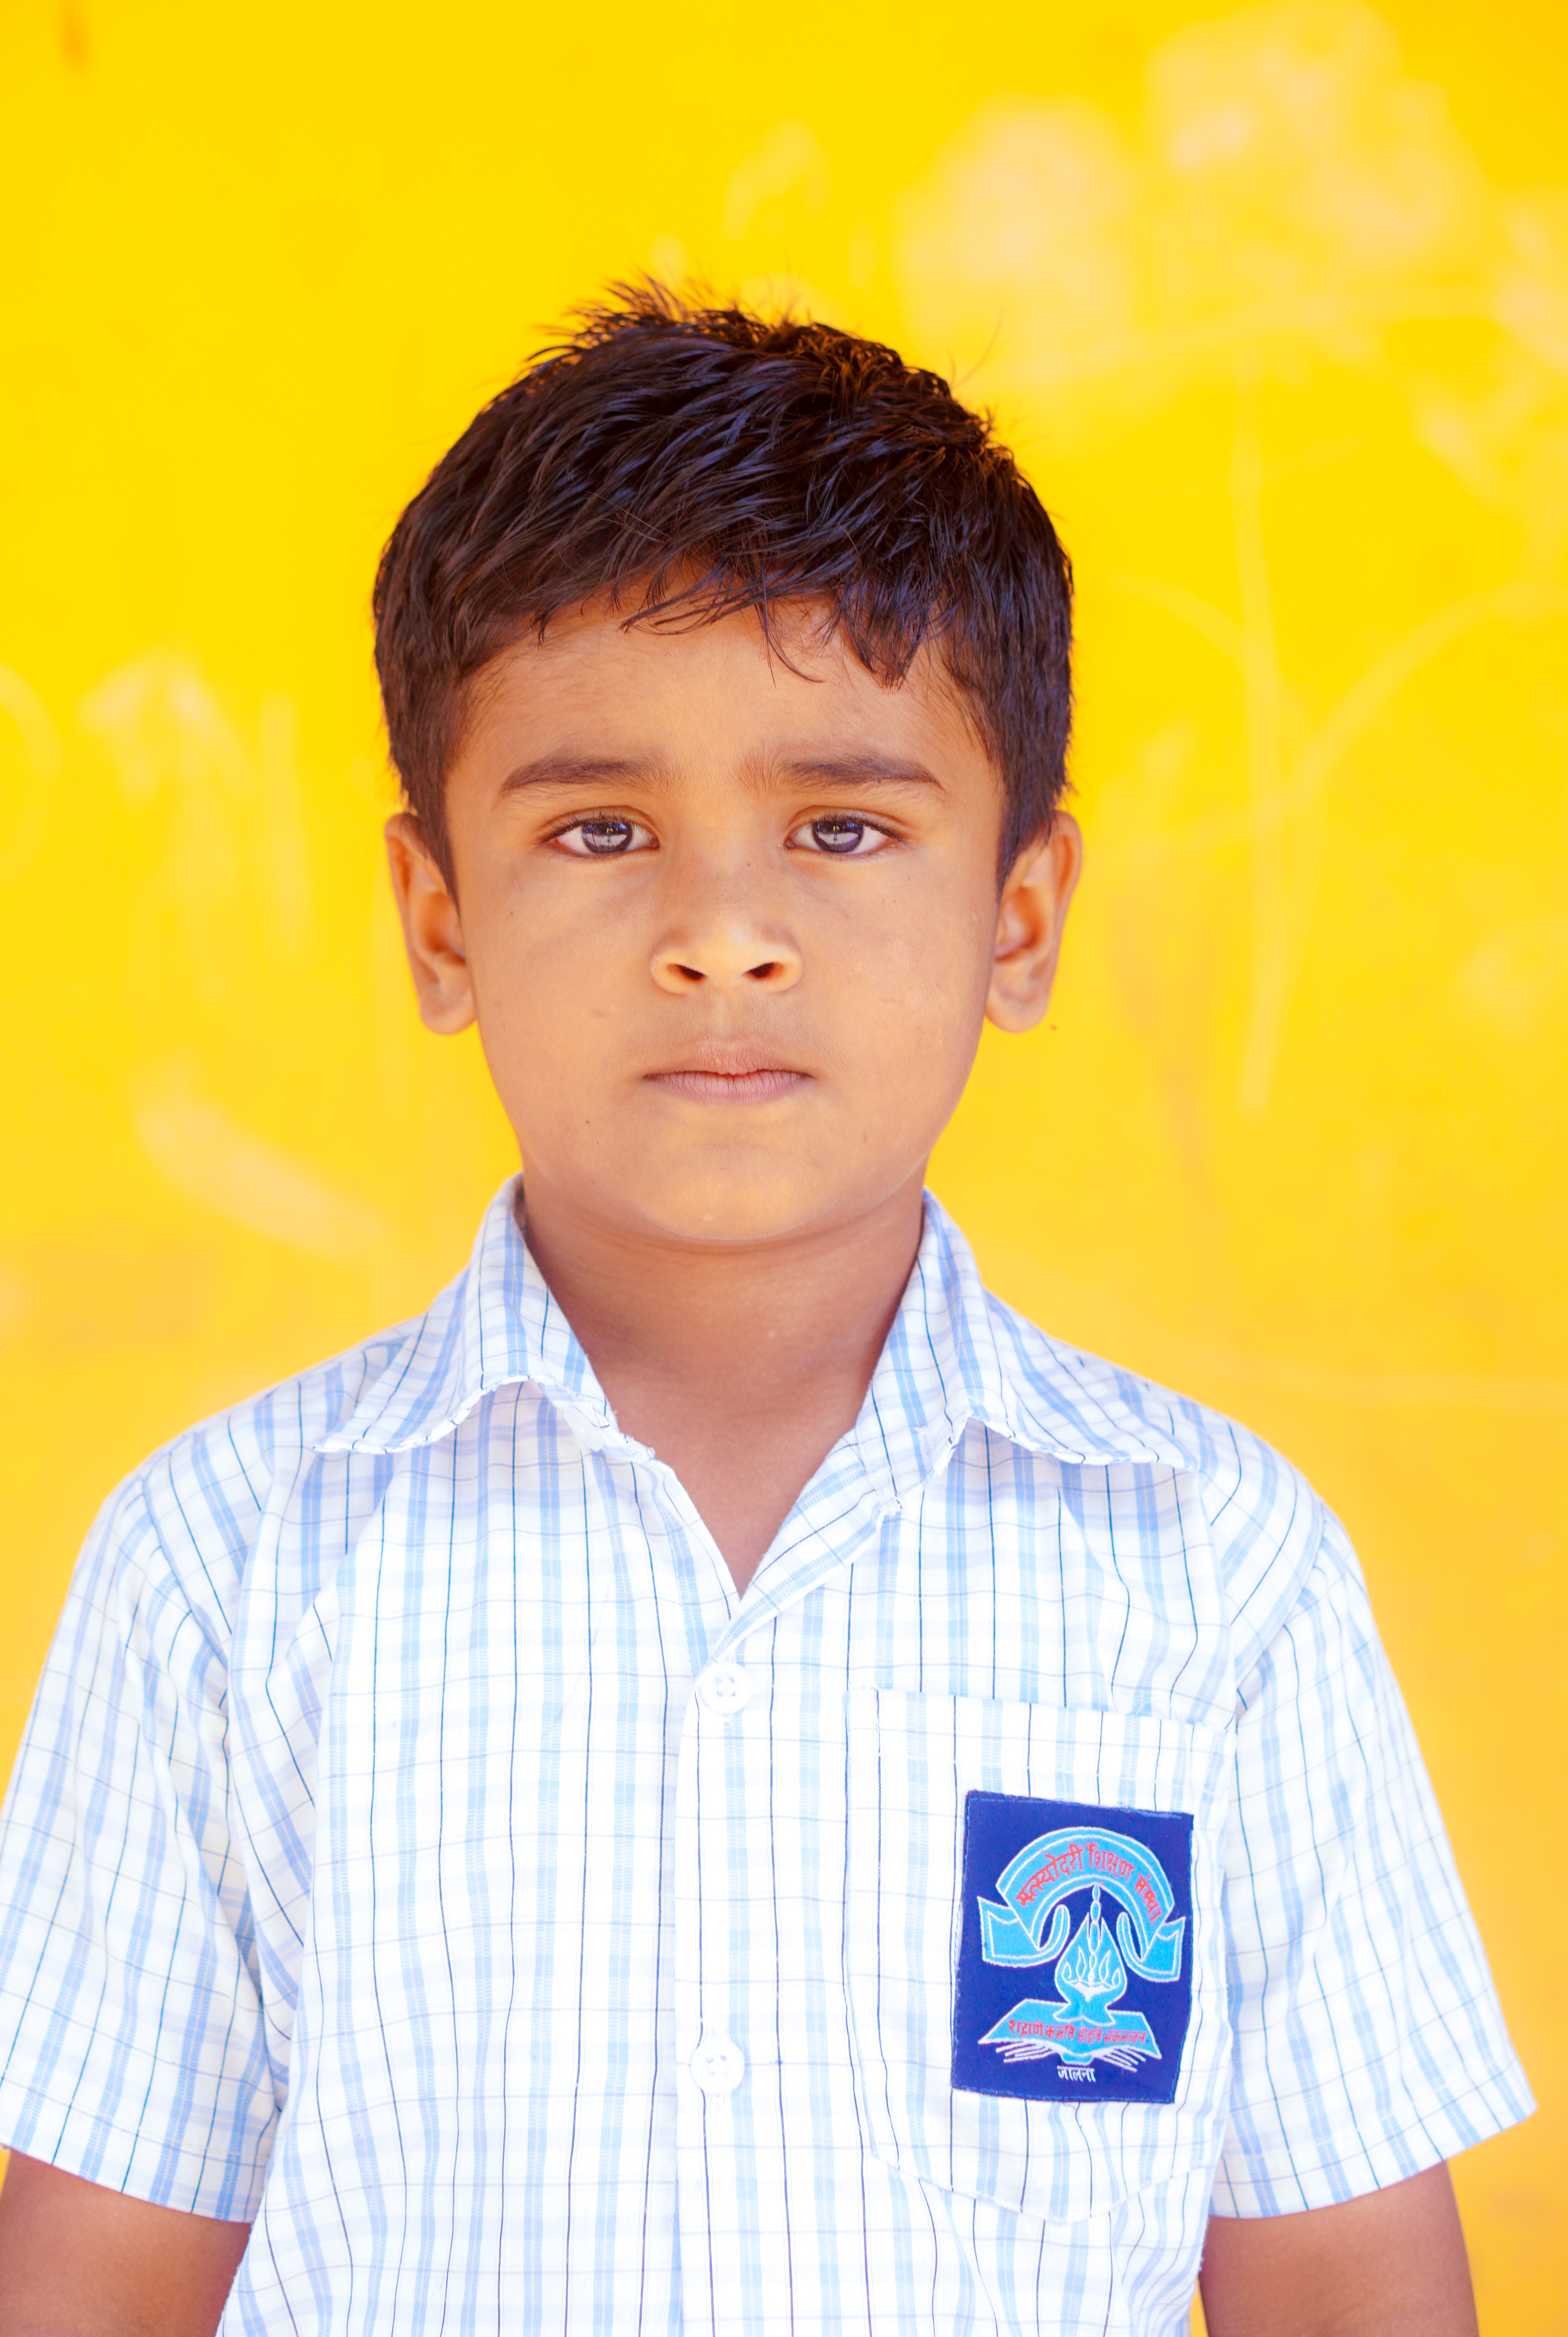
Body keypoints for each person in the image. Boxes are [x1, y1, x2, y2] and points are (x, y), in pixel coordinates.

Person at [0, 287, 1530, 2337]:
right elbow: (93, 2286)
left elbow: (1345, 2283)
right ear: (439, 918)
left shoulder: (1215, 1573)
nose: (722, 935)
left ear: (1021, 914)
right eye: (600, 830)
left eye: (842, 827)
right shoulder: (225, 1568)